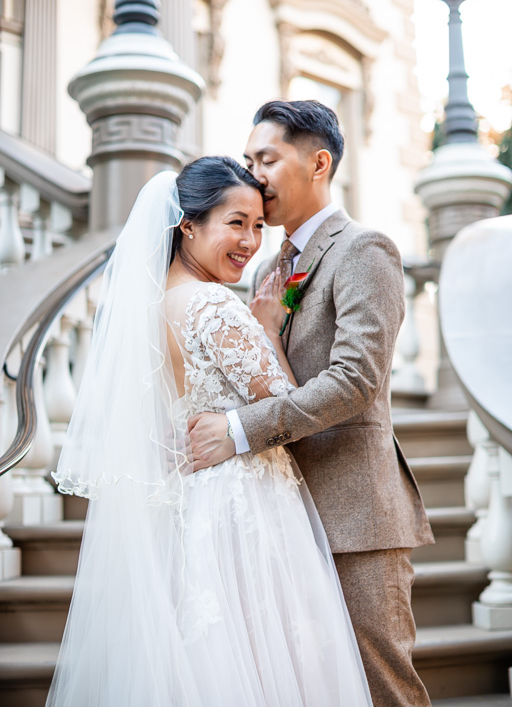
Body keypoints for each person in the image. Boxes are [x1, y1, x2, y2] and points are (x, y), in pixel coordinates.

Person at [47, 156, 373, 707]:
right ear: (188, 226)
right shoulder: (213, 304)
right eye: (235, 223)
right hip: (246, 507)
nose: (249, 242)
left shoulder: (153, 307)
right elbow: (287, 410)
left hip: (193, 507)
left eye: (257, 226)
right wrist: (267, 328)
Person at [188, 101, 435, 707]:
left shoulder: (364, 249)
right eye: (249, 160)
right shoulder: (265, 266)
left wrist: (240, 430)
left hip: (356, 516)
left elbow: (356, 380)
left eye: (266, 159)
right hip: (279, 516)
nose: (254, 174)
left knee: (382, 687)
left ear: (319, 163)